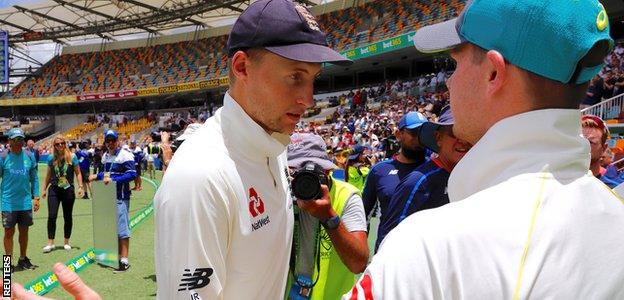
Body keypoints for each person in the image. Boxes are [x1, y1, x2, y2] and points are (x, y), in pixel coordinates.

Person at [346, 0, 624, 298]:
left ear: (493, 72)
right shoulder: (615, 213)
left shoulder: (430, 249)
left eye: (455, 64)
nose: (449, 82)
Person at [154, 0, 351, 298]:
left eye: (313, 79)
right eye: (295, 76)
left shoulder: (274, 145)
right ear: (242, 67)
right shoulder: (200, 177)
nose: (308, 99)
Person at [376, 106, 471, 251]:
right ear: (438, 138)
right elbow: (389, 243)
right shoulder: (418, 182)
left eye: (467, 133)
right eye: (454, 132)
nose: (463, 140)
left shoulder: (474, 175)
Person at [286, 133, 368, 300]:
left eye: (314, 171)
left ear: (328, 170)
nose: (304, 178)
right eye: (296, 170)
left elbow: (358, 263)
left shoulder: (347, 196)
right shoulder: (282, 193)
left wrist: (328, 217)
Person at [362, 111, 428, 252]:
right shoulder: (379, 171)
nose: (419, 139)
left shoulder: (436, 169)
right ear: (398, 135)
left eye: (423, 133)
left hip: (426, 254)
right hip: (388, 251)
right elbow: (364, 214)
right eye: (414, 133)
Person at [88, 130, 137, 273]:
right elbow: (108, 174)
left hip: (121, 197)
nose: (110, 143)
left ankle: (124, 260)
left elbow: (132, 174)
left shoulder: (125, 154)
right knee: (112, 228)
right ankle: (115, 256)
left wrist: (114, 180)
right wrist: (97, 175)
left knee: (122, 229)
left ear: (117, 140)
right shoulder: (105, 156)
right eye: (108, 141)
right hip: (108, 197)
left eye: (113, 140)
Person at [0, 128, 39, 271]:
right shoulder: (3, 157)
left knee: (24, 232)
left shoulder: (29, 156)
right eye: (15, 139)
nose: (18, 142)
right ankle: (7, 264)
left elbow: (34, 178)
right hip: (8, 202)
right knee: (8, 233)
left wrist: (36, 197)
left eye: (20, 139)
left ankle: (23, 259)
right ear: (9, 141)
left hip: (25, 202)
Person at [41, 136, 84, 253]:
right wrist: (44, 189)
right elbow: (48, 176)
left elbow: (78, 173)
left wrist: (80, 186)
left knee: (67, 216)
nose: (60, 145)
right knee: (52, 216)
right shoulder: (51, 158)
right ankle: (50, 243)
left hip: (68, 190)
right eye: (57, 144)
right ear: (54, 146)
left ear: (65, 144)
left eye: (62, 143)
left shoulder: (72, 157)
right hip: (54, 190)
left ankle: (66, 242)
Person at [581, 114, 623, 187]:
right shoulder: (557, 185)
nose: (583, 146)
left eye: (590, 142)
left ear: (603, 148)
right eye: (579, 141)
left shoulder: (614, 192)